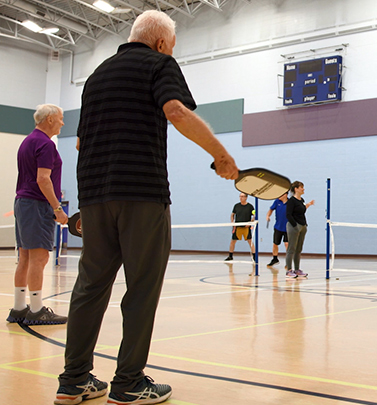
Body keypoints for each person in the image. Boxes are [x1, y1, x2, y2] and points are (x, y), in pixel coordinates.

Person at [56, 10, 238, 405]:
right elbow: (176, 111)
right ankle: (129, 383)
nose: (171, 51)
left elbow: (80, 143)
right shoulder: (160, 64)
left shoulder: (97, 76)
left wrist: (90, 197)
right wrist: (221, 155)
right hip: (141, 192)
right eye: (171, 45)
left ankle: (73, 381)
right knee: (141, 289)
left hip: (94, 194)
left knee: (90, 286)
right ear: (160, 43)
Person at [8, 104, 68, 326]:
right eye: (60, 118)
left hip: (23, 203)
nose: (63, 122)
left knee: (25, 257)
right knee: (39, 258)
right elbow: (43, 179)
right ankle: (35, 311)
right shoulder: (45, 144)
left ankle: (19, 308)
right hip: (36, 204)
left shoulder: (28, 141)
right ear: (50, 119)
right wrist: (57, 208)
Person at [285, 181, 315, 278]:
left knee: (299, 249)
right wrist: (295, 226)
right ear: (296, 189)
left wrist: (308, 205)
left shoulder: (301, 199)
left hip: (303, 226)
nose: (303, 189)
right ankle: (289, 270)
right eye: (301, 187)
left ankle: (297, 269)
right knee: (291, 249)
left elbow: (302, 211)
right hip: (294, 226)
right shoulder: (291, 201)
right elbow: (288, 214)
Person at [226, 192, 255, 261]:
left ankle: (254, 256)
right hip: (237, 227)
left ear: (246, 197)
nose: (241, 198)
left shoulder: (250, 206)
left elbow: (254, 215)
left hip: (246, 227)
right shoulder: (236, 206)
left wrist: (250, 223)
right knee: (233, 241)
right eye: (240, 196)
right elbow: (232, 214)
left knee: (250, 241)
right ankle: (230, 256)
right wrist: (232, 222)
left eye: (242, 196)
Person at [266, 192, 289, 266]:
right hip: (278, 227)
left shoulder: (290, 203)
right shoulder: (277, 201)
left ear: (285, 195)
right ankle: (275, 259)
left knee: (287, 244)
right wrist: (268, 216)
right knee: (275, 244)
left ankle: (288, 261)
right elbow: (271, 209)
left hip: (288, 228)